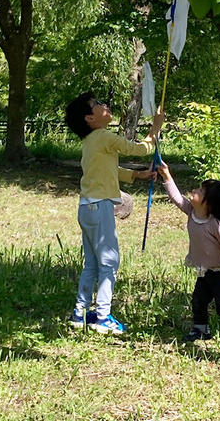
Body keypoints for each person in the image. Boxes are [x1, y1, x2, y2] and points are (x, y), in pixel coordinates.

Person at [65, 92, 164, 334]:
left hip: (86, 207)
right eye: (98, 104)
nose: (104, 105)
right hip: (100, 208)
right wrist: (156, 127)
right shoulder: (104, 136)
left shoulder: (92, 142)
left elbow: (108, 168)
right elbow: (139, 149)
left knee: (92, 263)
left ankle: (80, 313)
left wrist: (136, 175)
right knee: (109, 262)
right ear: (90, 118)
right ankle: (103, 317)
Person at [157, 162, 220, 346]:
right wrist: (166, 175)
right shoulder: (192, 212)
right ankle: (201, 328)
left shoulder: (215, 225)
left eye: (201, 191)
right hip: (205, 270)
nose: (195, 190)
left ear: (210, 205)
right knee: (199, 299)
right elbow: (176, 198)